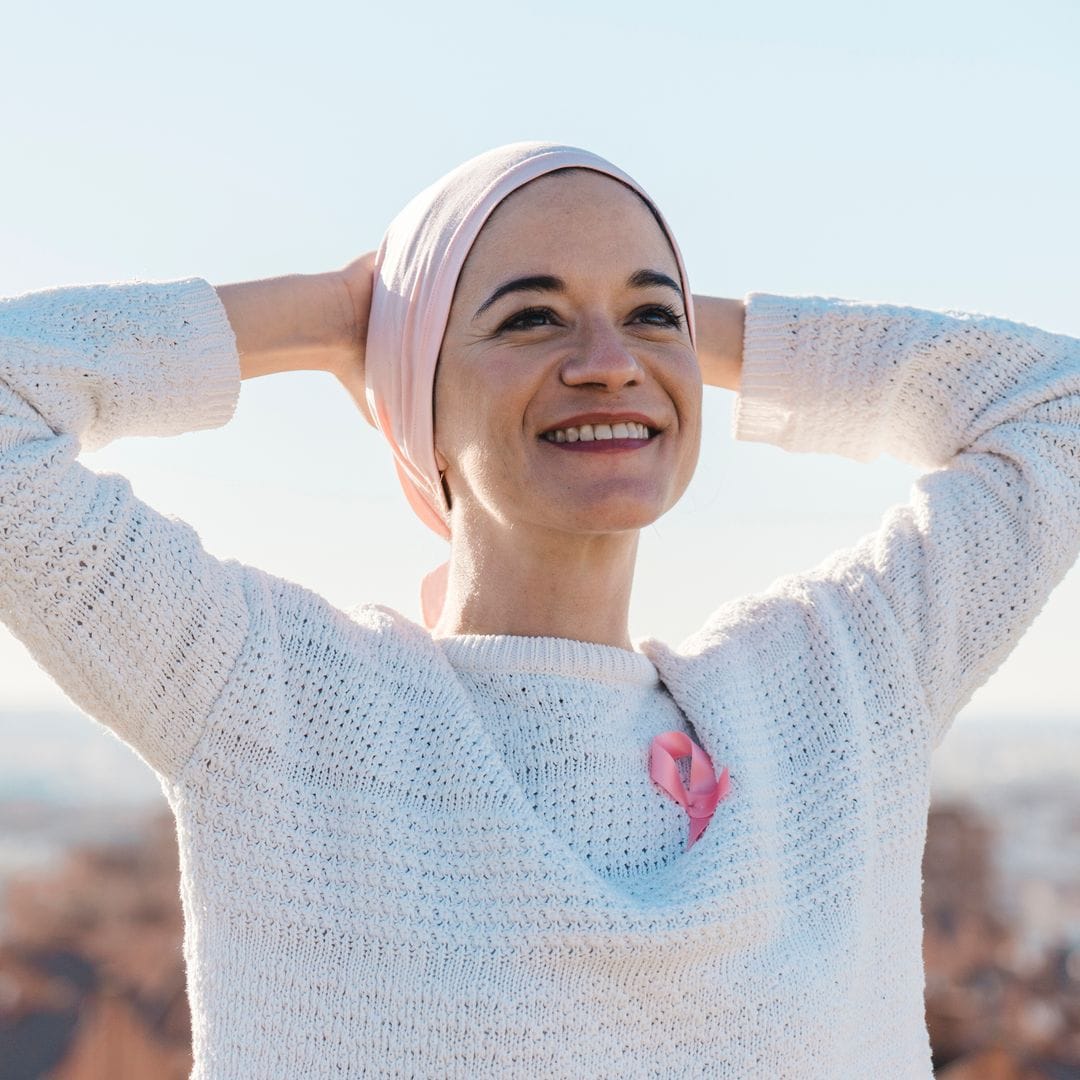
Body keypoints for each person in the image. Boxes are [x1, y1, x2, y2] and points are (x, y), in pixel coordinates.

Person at [0, 140, 1077, 1079]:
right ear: (415, 391)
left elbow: (1058, 409)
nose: (608, 366)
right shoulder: (278, 701)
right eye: (531, 318)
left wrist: (687, 338)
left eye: (655, 316)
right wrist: (329, 317)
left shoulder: (832, 697)